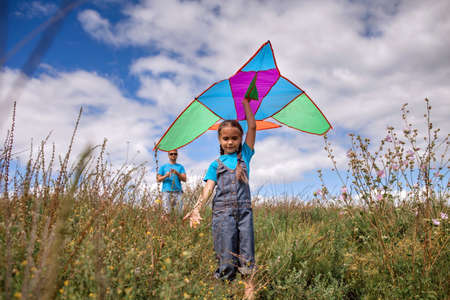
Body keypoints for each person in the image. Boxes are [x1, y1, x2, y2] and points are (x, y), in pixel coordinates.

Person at [184, 97, 256, 281]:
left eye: (234, 138)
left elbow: (252, 127)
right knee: (226, 258)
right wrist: (197, 208)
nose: (230, 142)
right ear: (219, 139)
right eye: (226, 138)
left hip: (244, 213)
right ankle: (226, 291)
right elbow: (208, 189)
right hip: (223, 215)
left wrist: (246, 103)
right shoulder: (214, 165)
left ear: (241, 139)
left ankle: (250, 290)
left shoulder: (245, 156)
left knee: (247, 258)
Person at [157, 150, 186, 214]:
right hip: (166, 191)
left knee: (179, 212)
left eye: (175, 154)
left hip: (178, 192)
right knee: (166, 212)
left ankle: (178, 224)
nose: (173, 155)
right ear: (168, 155)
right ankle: (167, 224)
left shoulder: (180, 167)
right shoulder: (163, 167)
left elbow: (184, 179)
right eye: (171, 154)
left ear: (177, 155)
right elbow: (158, 179)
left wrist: (177, 173)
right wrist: (166, 176)